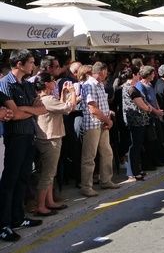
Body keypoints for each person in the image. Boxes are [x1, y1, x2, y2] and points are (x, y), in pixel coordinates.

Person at [0, 50, 47, 242]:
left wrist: (25, 109)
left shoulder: (27, 84)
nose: (33, 66)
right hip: (15, 137)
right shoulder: (5, 84)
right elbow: (14, 114)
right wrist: (30, 110)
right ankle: (4, 223)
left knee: (23, 178)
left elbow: (42, 109)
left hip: (29, 135)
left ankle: (18, 217)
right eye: (31, 62)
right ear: (19, 64)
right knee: (10, 180)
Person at [33, 72, 76, 216]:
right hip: (51, 140)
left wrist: (63, 95)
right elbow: (69, 108)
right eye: (52, 80)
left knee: (50, 173)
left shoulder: (41, 98)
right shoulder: (48, 99)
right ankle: (41, 206)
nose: (55, 83)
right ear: (46, 84)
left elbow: (60, 108)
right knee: (48, 174)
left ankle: (49, 201)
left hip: (45, 138)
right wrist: (73, 93)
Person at [79, 62, 120, 198]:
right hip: (93, 125)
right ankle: (86, 187)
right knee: (89, 157)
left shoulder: (99, 85)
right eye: (106, 71)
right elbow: (93, 109)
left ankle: (106, 180)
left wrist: (107, 118)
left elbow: (101, 106)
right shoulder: (89, 85)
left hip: (102, 124)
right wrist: (108, 120)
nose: (107, 74)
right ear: (102, 71)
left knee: (107, 152)